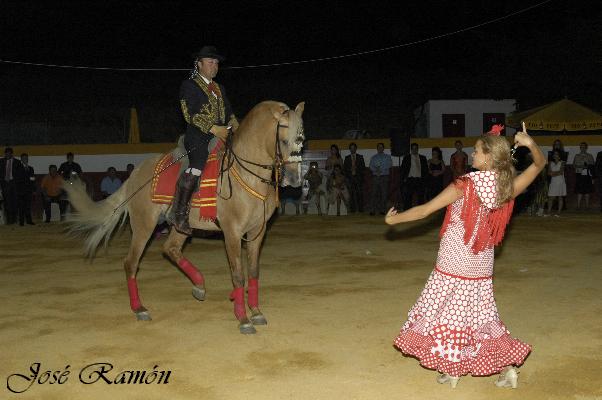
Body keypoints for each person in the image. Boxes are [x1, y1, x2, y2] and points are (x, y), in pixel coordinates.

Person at [386, 123, 545, 389]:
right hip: (481, 265)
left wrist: (393, 220)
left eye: (476, 151)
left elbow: (425, 211)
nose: (471, 155)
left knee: (447, 316)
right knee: (481, 318)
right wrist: (530, 144)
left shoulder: (465, 184)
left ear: (488, 157)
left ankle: (454, 369)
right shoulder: (507, 187)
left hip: (453, 261)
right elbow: (539, 165)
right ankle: (504, 368)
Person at [167, 45, 239, 235]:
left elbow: (229, 112)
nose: (214, 66)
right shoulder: (189, 85)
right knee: (198, 165)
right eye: (210, 62)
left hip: (223, 134)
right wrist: (215, 129)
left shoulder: (220, 88)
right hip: (198, 137)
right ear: (198, 64)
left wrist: (236, 125)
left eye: (216, 63)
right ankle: (179, 213)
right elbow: (189, 114)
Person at [400, 142, 429, 210]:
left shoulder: (423, 158)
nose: (414, 150)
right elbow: (403, 168)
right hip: (410, 179)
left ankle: (421, 211)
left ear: (418, 149)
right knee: (408, 196)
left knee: (421, 196)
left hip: (420, 179)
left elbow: (425, 169)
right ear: (411, 149)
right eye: (413, 149)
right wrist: (403, 178)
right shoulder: (407, 158)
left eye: (416, 148)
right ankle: (407, 211)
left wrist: (425, 179)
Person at [0, 147, 24, 225]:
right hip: (5, 183)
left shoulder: (17, 162)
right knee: (7, 202)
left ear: (12, 154)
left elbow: (21, 174)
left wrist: (17, 182)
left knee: (15, 201)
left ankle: (15, 218)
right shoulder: (1, 161)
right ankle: (9, 219)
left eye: (9, 153)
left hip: (14, 183)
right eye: (6, 153)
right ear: (5, 154)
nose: (7, 154)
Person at [368, 143, 392, 215]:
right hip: (375, 177)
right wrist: (376, 170)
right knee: (374, 194)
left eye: (381, 147)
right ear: (377, 148)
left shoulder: (387, 157)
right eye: (379, 147)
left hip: (384, 177)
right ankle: (373, 210)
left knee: (384, 194)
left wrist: (380, 169)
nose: (380, 148)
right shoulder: (373, 157)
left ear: (383, 148)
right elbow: (370, 166)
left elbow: (389, 164)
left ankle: (383, 210)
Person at [343, 142, 365, 213]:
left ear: (356, 149)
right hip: (350, 178)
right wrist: (350, 170)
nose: (352, 150)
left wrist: (357, 168)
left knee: (359, 194)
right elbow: (344, 169)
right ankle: (352, 209)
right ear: (349, 149)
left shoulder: (360, 157)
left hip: (358, 177)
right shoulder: (347, 158)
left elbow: (363, 168)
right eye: (351, 148)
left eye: (354, 148)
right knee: (351, 194)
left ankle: (361, 209)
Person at [572, 142, 594, 210]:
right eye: (581, 147)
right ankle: (578, 206)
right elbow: (574, 165)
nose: (583, 148)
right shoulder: (577, 155)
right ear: (580, 148)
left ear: (586, 148)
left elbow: (592, 165)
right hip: (579, 174)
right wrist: (581, 166)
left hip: (587, 174)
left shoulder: (590, 155)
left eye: (584, 147)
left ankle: (587, 206)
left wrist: (587, 166)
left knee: (587, 190)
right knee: (579, 190)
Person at [547, 150, 566, 216]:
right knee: (550, 197)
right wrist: (555, 173)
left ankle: (559, 212)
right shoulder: (550, 163)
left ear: (559, 156)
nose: (555, 155)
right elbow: (548, 173)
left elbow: (561, 172)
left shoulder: (562, 162)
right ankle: (548, 211)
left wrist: (553, 173)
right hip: (553, 182)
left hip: (560, 181)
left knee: (560, 197)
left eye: (557, 154)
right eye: (554, 154)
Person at [18, 153, 36, 225]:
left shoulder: (31, 168)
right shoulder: (18, 168)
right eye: (24, 158)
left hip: (29, 190)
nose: (26, 159)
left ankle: (29, 221)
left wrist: (34, 189)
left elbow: (33, 179)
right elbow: (18, 179)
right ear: (21, 159)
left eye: (26, 158)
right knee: (21, 206)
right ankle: (21, 222)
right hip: (21, 190)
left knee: (28, 206)